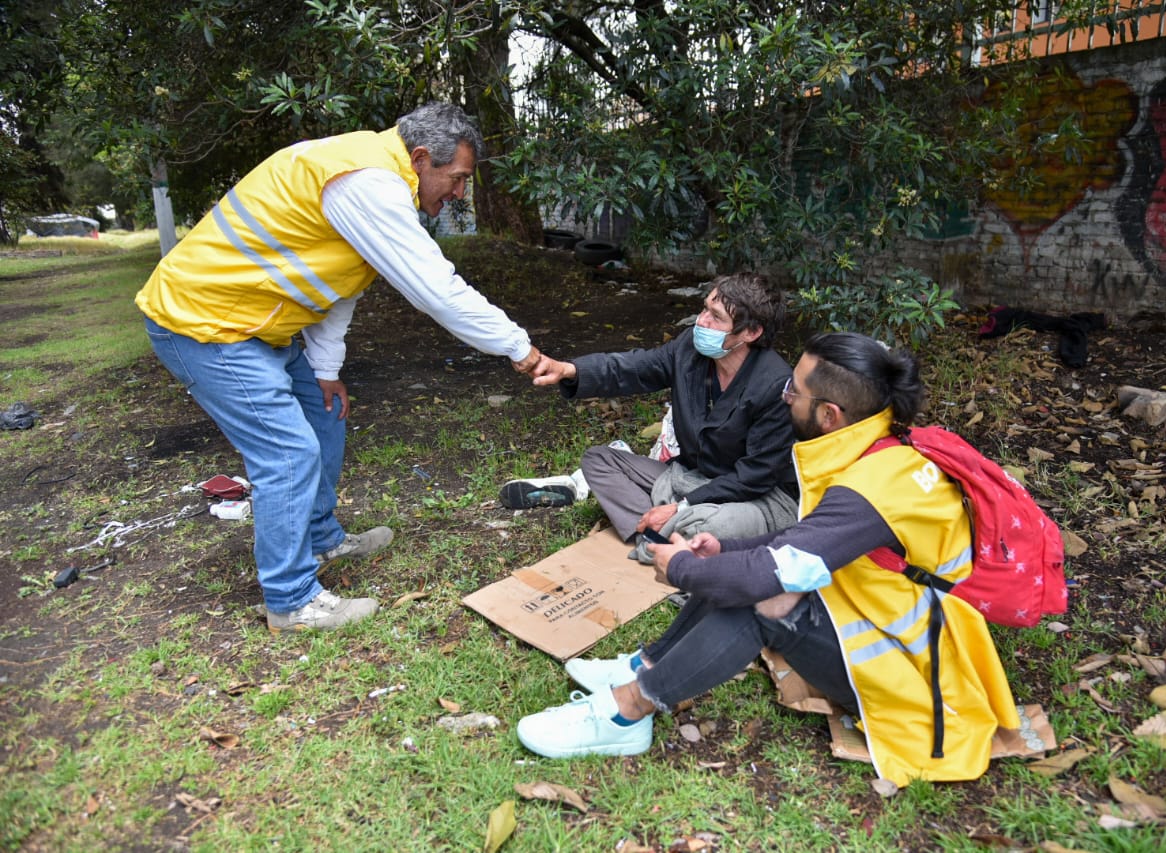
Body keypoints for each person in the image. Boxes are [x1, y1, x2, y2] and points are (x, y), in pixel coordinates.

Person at [516, 332, 1022, 785]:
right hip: (882, 622)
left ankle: (628, 711)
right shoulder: (876, 449)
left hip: (913, 677)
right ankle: (643, 665)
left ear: (828, 414)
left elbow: (773, 572)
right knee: (740, 570)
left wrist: (685, 567)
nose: (784, 396)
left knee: (762, 600)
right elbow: (797, 543)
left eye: (793, 392)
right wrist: (722, 549)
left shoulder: (871, 490)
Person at [136, 102, 544, 633]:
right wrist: (521, 349)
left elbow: (340, 280)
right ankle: (290, 601)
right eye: (458, 178)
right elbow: (436, 292)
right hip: (206, 325)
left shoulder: (373, 174)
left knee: (324, 411)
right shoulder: (368, 183)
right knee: (286, 453)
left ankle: (322, 538)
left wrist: (324, 368)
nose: (460, 193)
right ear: (421, 158)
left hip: (257, 322)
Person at [511, 273, 799, 557]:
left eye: (716, 317)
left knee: (715, 526)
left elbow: (754, 478)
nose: (702, 321)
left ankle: (662, 534)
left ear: (751, 332)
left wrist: (683, 505)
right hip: (690, 477)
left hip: (752, 498)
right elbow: (636, 367)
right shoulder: (690, 349)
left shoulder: (775, 386)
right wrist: (570, 370)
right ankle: (663, 539)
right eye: (704, 309)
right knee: (598, 461)